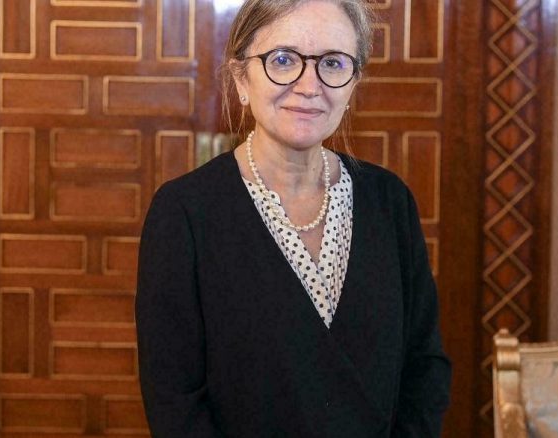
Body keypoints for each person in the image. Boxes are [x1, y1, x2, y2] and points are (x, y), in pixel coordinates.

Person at [135, 0, 451, 436]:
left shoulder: (390, 201)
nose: (309, 85)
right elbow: (174, 401)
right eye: (283, 60)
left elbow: (425, 366)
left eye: (332, 63)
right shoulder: (184, 213)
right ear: (241, 79)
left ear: (353, 82)